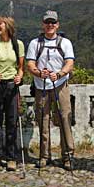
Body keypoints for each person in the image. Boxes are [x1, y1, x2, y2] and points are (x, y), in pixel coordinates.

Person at [26, 10, 75, 169]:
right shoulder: (35, 43)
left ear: (57, 24)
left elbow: (69, 63)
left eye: (53, 22)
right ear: (43, 24)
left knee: (64, 120)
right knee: (43, 122)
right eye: (47, 22)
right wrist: (39, 73)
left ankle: (68, 155)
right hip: (41, 87)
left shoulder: (65, 42)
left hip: (60, 85)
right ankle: (44, 156)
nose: (50, 25)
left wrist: (59, 73)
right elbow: (30, 65)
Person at [0, 16, 25, 171]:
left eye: (0, 23)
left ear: (8, 26)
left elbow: (21, 67)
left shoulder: (18, 44)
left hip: (12, 86)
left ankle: (11, 158)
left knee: (12, 122)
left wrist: (19, 76)